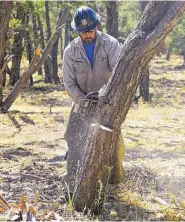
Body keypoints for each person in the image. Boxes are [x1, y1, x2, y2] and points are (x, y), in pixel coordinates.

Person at [62, 6, 125, 197]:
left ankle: (113, 187)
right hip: (82, 104)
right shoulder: (70, 52)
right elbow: (69, 83)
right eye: (83, 32)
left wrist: (107, 99)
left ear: (96, 26)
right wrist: (84, 101)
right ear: (77, 31)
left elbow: (118, 74)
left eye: (90, 31)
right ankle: (72, 187)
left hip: (107, 104)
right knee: (74, 141)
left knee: (115, 147)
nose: (87, 35)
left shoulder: (111, 44)